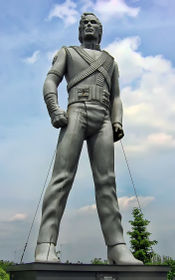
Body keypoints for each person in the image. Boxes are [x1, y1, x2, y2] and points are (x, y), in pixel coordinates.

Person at [35, 12, 143, 265]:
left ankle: (117, 247)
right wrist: (54, 109)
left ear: (101, 31)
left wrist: (117, 121)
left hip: (103, 117)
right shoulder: (68, 52)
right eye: (84, 24)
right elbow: (51, 80)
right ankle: (46, 244)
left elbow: (116, 95)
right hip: (76, 112)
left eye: (94, 23)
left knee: (107, 182)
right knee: (62, 177)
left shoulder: (111, 61)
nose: (89, 26)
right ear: (79, 31)